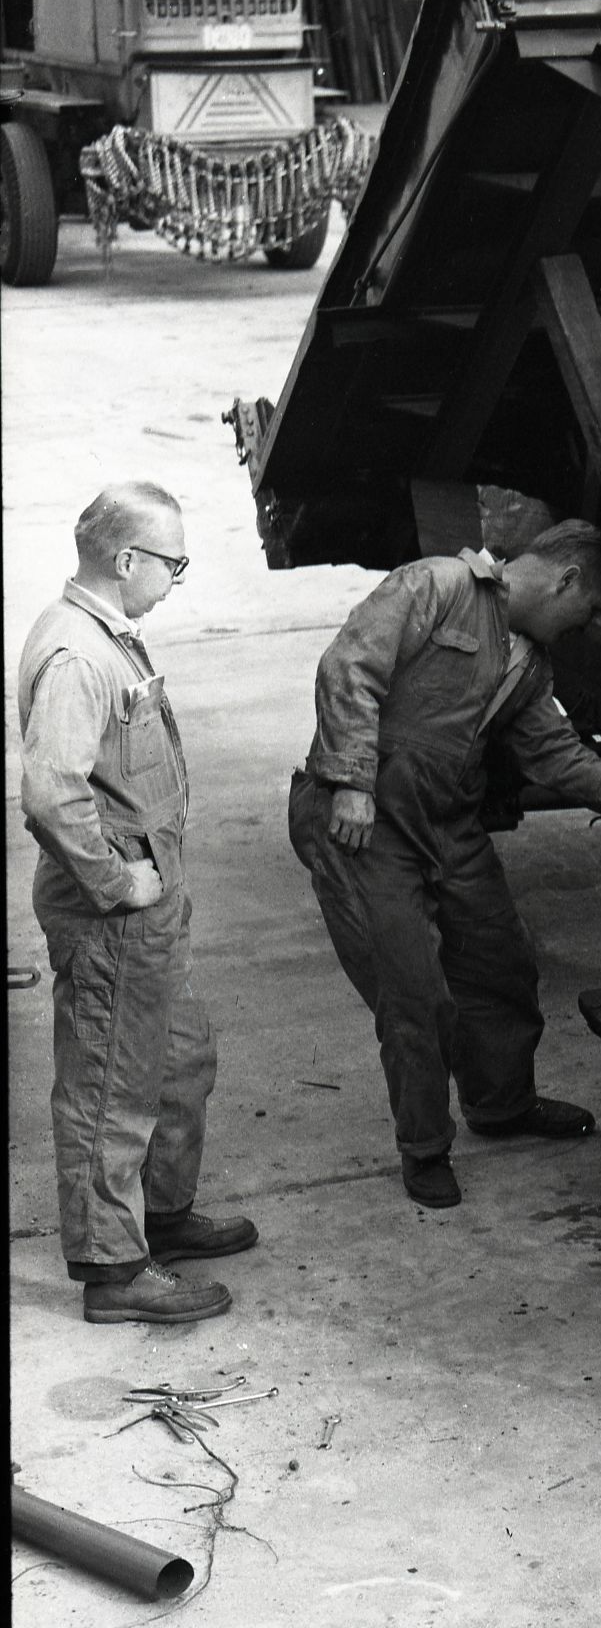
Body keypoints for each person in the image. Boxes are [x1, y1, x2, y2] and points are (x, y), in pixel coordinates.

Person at [289, 521, 601, 1208]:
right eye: (588, 608)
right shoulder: (437, 586)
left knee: (499, 963)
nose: (588, 625)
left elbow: (554, 754)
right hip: (364, 825)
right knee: (414, 992)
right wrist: (352, 784)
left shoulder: (530, 665)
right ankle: (424, 1148)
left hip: (447, 823)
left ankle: (501, 1104)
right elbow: (347, 669)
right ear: (566, 580)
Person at [16, 483, 258, 1324]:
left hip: (150, 903)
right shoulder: (81, 657)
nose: (174, 579)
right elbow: (51, 797)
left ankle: (161, 1215)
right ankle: (113, 1270)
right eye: (173, 562)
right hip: (114, 906)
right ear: (127, 561)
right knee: (111, 1087)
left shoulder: (110, 636)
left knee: (179, 1059)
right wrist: (120, 884)